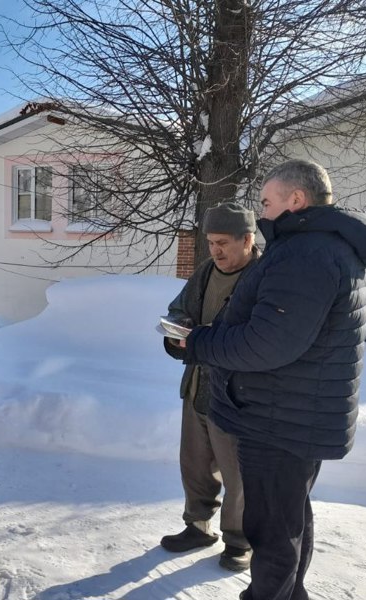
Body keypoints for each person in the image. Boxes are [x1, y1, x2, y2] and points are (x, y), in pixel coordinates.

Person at [182, 160, 366, 600]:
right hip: (296, 411)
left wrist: (200, 344)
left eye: (266, 201)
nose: (261, 213)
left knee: (272, 532)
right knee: (289, 521)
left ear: (296, 200)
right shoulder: (328, 246)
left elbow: (267, 344)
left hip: (280, 420)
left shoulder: (307, 252)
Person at [161, 202, 259, 572]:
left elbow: (259, 339)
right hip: (197, 385)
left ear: (247, 240)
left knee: (238, 475)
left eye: (222, 243)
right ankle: (197, 526)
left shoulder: (262, 277)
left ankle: (239, 541)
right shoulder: (204, 272)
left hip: (236, 396)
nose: (215, 250)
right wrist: (176, 333)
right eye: (210, 243)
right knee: (195, 465)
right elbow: (178, 309)